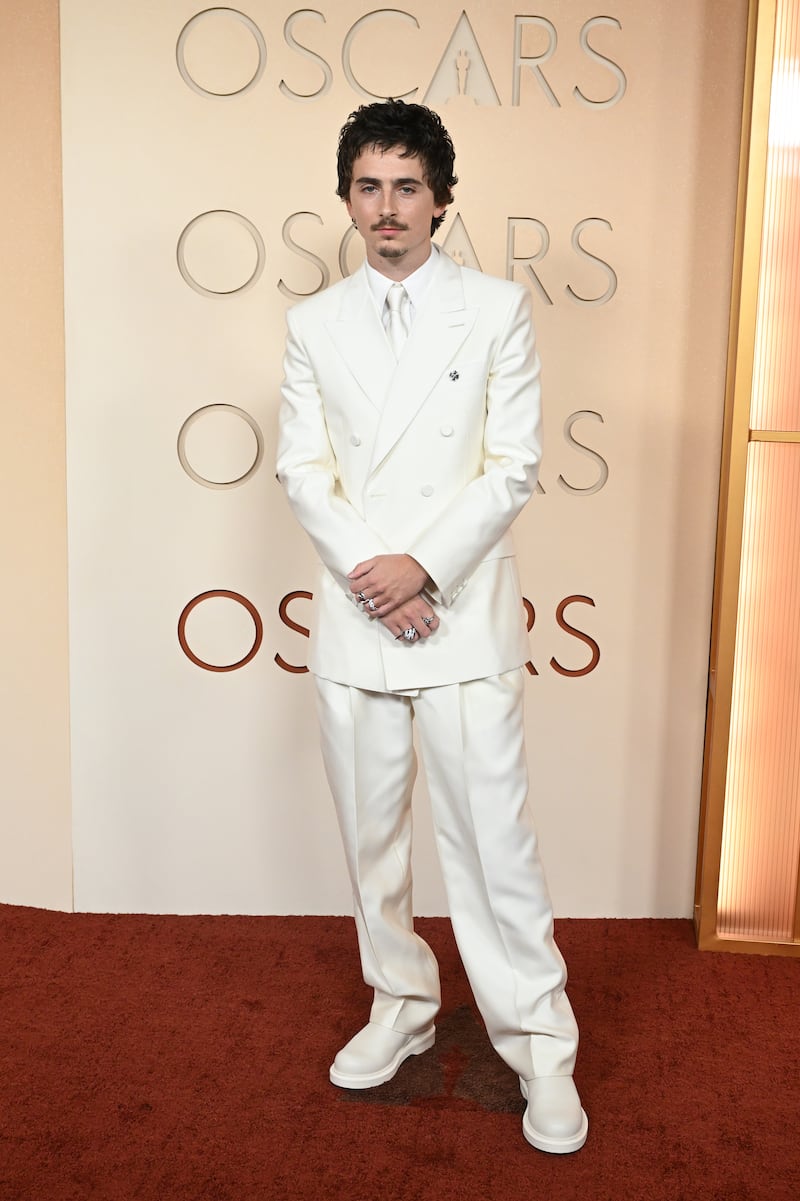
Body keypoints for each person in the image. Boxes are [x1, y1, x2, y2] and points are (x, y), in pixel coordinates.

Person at [276, 99, 588, 1154]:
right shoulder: (312, 324)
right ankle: (400, 1005)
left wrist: (423, 570)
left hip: (456, 617)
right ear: (346, 199)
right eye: (367, 185)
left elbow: (511, 467)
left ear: (441, 198)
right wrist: (379, 580)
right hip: (362, 615)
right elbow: (299, 469)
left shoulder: (495, 308)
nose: (386, 206)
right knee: (372, 848)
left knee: (490, 846)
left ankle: (542, 1048)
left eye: (406, 184)